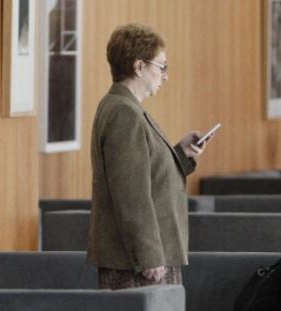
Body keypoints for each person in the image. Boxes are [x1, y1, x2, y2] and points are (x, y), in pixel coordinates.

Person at [86, 23, 209, 289]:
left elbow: (145, 172)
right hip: (139, 264)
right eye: (161, 67)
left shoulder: (126, 108)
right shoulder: (124, 113)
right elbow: (131, 194)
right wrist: (149, 255)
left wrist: (180, 153)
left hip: (146, 257)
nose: (165, 76)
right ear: (139, 66)